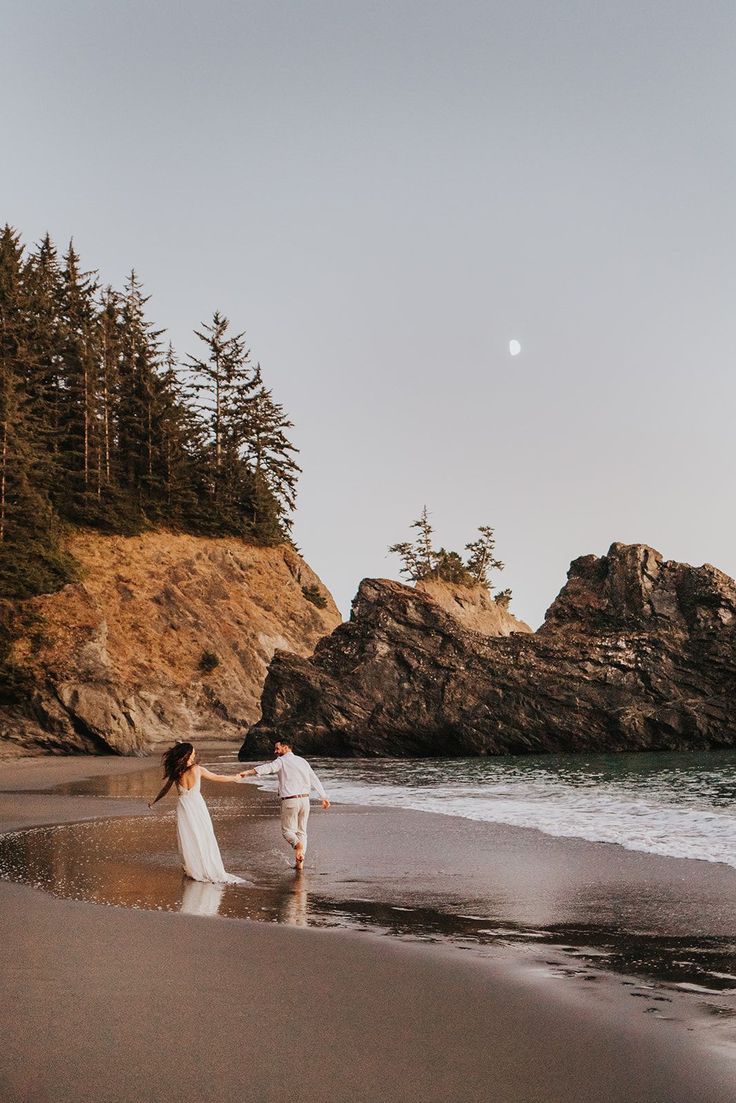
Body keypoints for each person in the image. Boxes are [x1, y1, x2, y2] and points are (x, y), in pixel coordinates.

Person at [148, 741, 244, 885]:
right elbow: (217, 777)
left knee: (189, 837)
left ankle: (194, 868)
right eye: (192, 753)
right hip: (197, 806)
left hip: (184, 807)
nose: (194, 755)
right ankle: (206, 866)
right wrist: (235, 778)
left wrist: (154, 801)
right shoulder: (197, 769)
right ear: (187, 755)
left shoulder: (176, 772)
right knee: (204, 835)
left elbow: (165, 790)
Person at [238, 740, 330, 868]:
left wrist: (248, 772)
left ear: (286, 748)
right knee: (302, 832)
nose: (275, 751)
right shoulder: (302, 761)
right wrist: (324, 796)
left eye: (277, 749)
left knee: (287, 832)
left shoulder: (281, 761)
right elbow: (314, 778)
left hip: (290, 800)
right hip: (305, 800)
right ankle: (300, 863)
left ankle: (297, 845)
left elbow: (268, 768)